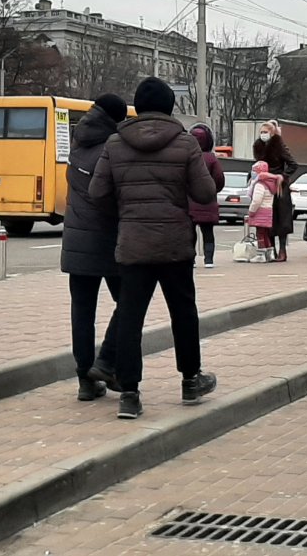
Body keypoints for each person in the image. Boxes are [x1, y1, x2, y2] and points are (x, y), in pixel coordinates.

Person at [89, 76, 219, 421]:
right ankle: (191, 380)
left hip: (133, 243)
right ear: (170, 107)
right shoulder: (186, 143)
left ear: (137, 106)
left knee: (131, 318)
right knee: (183, 313)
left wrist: (125, 212)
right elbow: (206, 194)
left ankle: (129, 395)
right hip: (175, 244)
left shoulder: (115, 144)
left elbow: (97, 193)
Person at [60, 94, 128, 402]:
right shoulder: (112, 149)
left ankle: (85, 379)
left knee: (82, 312)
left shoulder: (77, 145)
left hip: (76, 240)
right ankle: (109, 364)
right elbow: (112, 196)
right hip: (109, 240)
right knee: (128, 303)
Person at [253, 120, 299, 262]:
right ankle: (270, 249)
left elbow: (293, 164)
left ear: (272, 133)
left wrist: (282, 176)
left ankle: (282, 250)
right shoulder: (258, 145)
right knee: (266, 218)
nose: (263, 134)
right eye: (261, 132)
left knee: (281, 218)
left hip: (278, 186)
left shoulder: (278, 145)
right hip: (264, 184)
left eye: (266, 132)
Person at [188, 124, 226, 269]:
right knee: (208, 233)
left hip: (188, 201)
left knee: (190, 234)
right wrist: (212, 190)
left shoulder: (187, 156)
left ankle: (191, 260)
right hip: (208, 201)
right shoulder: (211, 159)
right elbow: (219, 179)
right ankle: (208, 260)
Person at [246, 160, 279, 257]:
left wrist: (251, 211)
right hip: (268, 211)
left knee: (260, 234)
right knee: (266, 234)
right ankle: (270, 254)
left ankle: (261, 255)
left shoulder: (260, 184)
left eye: (254, 170)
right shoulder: (270, 183)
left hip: (260, 212)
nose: (252, 173)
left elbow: (257, 200)